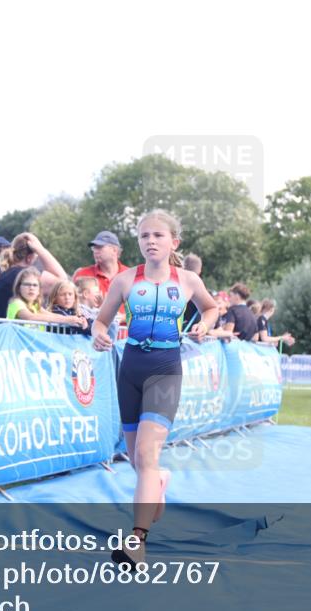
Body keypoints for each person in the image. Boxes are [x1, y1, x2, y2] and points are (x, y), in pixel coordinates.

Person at [91, 210, 217, 570]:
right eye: (144, 236)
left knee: (145, 455)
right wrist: (99, 333)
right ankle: (159, 480)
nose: (150, 241)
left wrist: (204, 326)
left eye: (158, 236)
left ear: (173, 242)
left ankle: (136, 543)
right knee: (138, 461)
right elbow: (101, 320)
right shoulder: (124, 280)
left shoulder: (188, 280)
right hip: (129, 369)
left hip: (165, 370)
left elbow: (210, 309)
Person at [0, 233, 68, 319]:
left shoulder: (1, 273)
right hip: (12, 331)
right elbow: (62, 280)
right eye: (36, 256)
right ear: (29, 258)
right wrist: (40, 249)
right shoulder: (25, 275)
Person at [6, 267, 87, 329]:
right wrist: (67, 320)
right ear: (18, 287)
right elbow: (31, 317)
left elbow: (52, 316)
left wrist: (75, 319)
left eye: (35, 285)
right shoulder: (16, 303)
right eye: (27, 284)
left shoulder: (35, 306)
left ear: (39, 290)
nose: (31, 288)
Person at [72, 231, 130, 302]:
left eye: (99, 247)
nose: (95, 251)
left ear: (114, 250)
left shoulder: (131, 275)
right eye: (94, 248)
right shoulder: (82, 274)